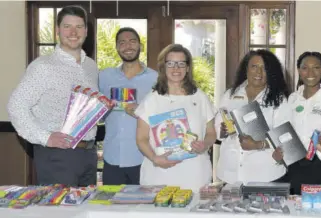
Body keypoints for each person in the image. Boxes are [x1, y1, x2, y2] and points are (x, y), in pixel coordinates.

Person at [7, 6, 99, 186]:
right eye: (67, 26)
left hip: (88, 154)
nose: (73, 32)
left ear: (86, 31)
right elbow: (16, 106)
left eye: (79, 27)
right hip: (57, 156)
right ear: (57, 30)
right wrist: (45, 137)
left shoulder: (91, 66)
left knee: (86, 211)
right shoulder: (43, 66)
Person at [134, 44, 216, 192]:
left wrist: (205, 144)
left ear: (188, 68)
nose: (176, 68)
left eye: (181, 64)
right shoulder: (152, 99)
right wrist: (154, 158)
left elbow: (211, 133)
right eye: (170, 63)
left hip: (195, 175)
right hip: (158, 175)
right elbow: (141, 139)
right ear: (163, 67)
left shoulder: (200, 97)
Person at [272, 52, 321, 195]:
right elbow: (284, 131)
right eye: (305, 68)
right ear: (299, 70)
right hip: (295, 165)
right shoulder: (292, 98)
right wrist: (279, 152)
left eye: (316, 68)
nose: (310, 72)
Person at [215, 50, 290, 184]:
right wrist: (222, 131)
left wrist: (257, 145)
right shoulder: (230, 95)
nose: (258, 73)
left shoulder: (279, 99)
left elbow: (284, 136)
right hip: (231, 173)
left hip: (264, 173)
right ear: (246, 69)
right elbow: (217, 129)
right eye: (254, 67)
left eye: (264, 68)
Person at [98, 27, 158, 185]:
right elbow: (97, 115)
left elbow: (162, 117)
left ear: (140, 46)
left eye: (132, 41)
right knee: (112, 207)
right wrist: (103, 108)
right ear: (117, 47)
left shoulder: (156, 79)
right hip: (112, 157)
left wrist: (142, 111)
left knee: (143, 208)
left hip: (145, 158)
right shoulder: (104, 77)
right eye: (122, 42)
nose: (128, 46)